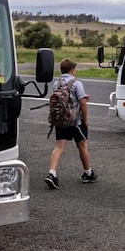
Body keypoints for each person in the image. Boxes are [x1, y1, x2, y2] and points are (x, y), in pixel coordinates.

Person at [44, 59, 97, 189]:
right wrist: (85, 120)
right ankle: (88, 172)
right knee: (82, 146)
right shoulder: (77, 83)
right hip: (75, 121)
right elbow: (82, 103)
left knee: (59, 147)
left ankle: (52, 173)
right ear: (72, 69)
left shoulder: (56, 83)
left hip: (61, 120)